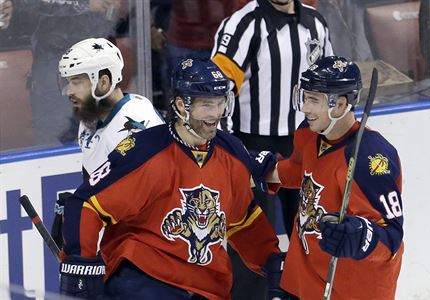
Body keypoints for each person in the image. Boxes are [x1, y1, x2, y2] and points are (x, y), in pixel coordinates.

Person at [59, 58, 285, 299]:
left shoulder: (231, 151)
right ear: (181, 105)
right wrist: (80, 265)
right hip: (144, 277)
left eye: (221, 103)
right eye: (207, 105)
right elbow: (86, 205)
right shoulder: (144, 150)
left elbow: (243, 220)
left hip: (206, 286)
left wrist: (273, 265)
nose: (216, 113)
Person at [251, 56, 404, 299]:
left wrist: (362, 236)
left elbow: (392, 239)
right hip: (305, 280)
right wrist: (263, 171)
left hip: (352, 290)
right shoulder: (308, 132)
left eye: (314, 100)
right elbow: (301, 171)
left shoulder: (371, 158)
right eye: (304, 97)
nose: (305, 108)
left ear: (341, 105)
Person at [211, 0, 333, 297]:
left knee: (311, 235)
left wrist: (333, 139)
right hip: (250, 146)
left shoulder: (316, 23)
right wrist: (229, 151)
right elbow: (216, 90)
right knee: (248, 241)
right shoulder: (243, 25)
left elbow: (330, 84)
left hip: (305, 144)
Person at [58, 37, 165, 178]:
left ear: (103, 82)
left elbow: (148, 190)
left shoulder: (137, 122)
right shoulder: (90, 117)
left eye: (76, 82)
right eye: (68, 82)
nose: (70, 91)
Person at [22, 0, 121, 146]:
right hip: (56, 57)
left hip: (98, 55)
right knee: (55, 134)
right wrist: (85, 3)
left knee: (102, 132)